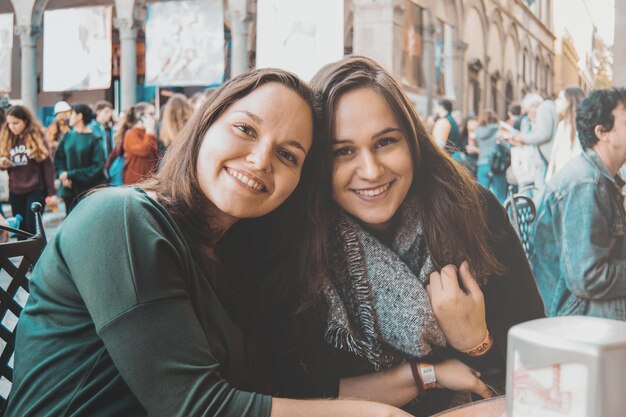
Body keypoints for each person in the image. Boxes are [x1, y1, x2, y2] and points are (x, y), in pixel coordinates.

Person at [5, 68, 419, 417]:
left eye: (288, 155)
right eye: (245, 129)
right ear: (206, 124)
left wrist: (425, 377)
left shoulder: (235, 261)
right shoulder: (120, 217)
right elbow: (196, 407)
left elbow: (281, 386)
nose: (260, 160)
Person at [267, 56, 544, 416]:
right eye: (344, 151)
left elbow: (538, 355)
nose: (370, 170)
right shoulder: (293, 239)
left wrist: (476, 341)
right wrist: (427, 374)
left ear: (413, 142)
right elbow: (288, 389)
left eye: (385, 142)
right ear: (318, 161)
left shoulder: (473, 209)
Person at [531, 88, 626, 320]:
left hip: (585, 301)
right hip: (573, 309)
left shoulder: (601, 177)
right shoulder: (586, 184)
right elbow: (589, 277)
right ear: (603, 132)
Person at [0, 105, 56, 235]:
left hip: (36, 189)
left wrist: (51, 193)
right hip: (15, 190)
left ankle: (38, 255)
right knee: (19, 229)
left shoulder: (37, 137)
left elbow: (48, 166)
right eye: (9, 124)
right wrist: (2, 163)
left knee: (33, 228)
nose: (12, 127)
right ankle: (25, 256)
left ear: (25, 121)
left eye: (16, 123)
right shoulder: (6, 137)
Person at [53, 103, 106, 214]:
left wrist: (71, 174)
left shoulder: (95, 139)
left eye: (72, 114)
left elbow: (97, 167)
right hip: (69, 188)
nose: (69, 117)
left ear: (80, 116)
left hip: (88, 190)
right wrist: (63, 175)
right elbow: (58, 159)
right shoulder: (67, 136)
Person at [509, 93, 557, 193]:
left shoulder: (544, 111)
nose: (531, 112)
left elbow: (542, 135)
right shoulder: (528, 120)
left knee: (541, 191)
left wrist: (522, 138)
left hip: (542, 161)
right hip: (536, 161)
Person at [545, 87, 585, 182]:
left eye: (560, 98)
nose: (556, 101)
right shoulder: (562, 125)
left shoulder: (580, 127)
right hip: (558, 184)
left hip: (571, 183)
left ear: (570, 101)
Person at [122, 102, 159, 184]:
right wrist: (149, 130)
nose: (154, 117)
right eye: (151, 114)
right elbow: (144, 151)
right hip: (135, 182)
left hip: (149, 181)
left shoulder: (149, 132)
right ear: (139, 115)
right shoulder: (131, 134)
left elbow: (155, 156)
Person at [475, 109, 508, 203]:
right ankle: (501, 216)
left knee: (481, 197)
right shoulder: (499, 128)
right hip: (497, 164)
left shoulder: (477, 131)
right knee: (500, 196)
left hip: (482, 164)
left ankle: (484, 217)